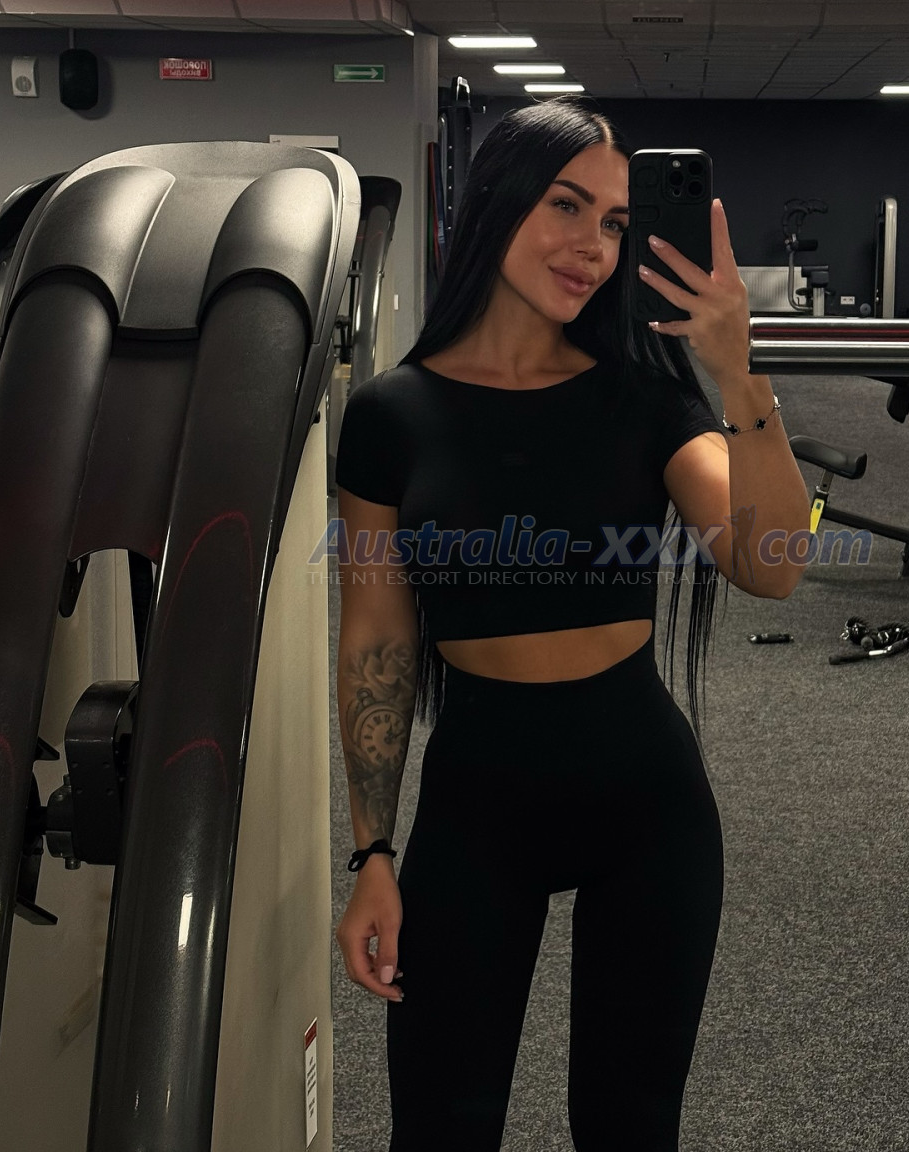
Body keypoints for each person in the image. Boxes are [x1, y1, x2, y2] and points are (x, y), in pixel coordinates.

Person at [333, 98, 810, 1151]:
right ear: (496, 202)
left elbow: (772, 565)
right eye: (566, 206)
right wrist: (371, 850)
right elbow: (377, 641)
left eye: (615, 223)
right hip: (476, 803)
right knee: (440, 1129)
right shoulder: (389, 417)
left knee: (629, 1129)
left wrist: (741, 374)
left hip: (645, 805)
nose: (593, 246)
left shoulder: (644, 399)